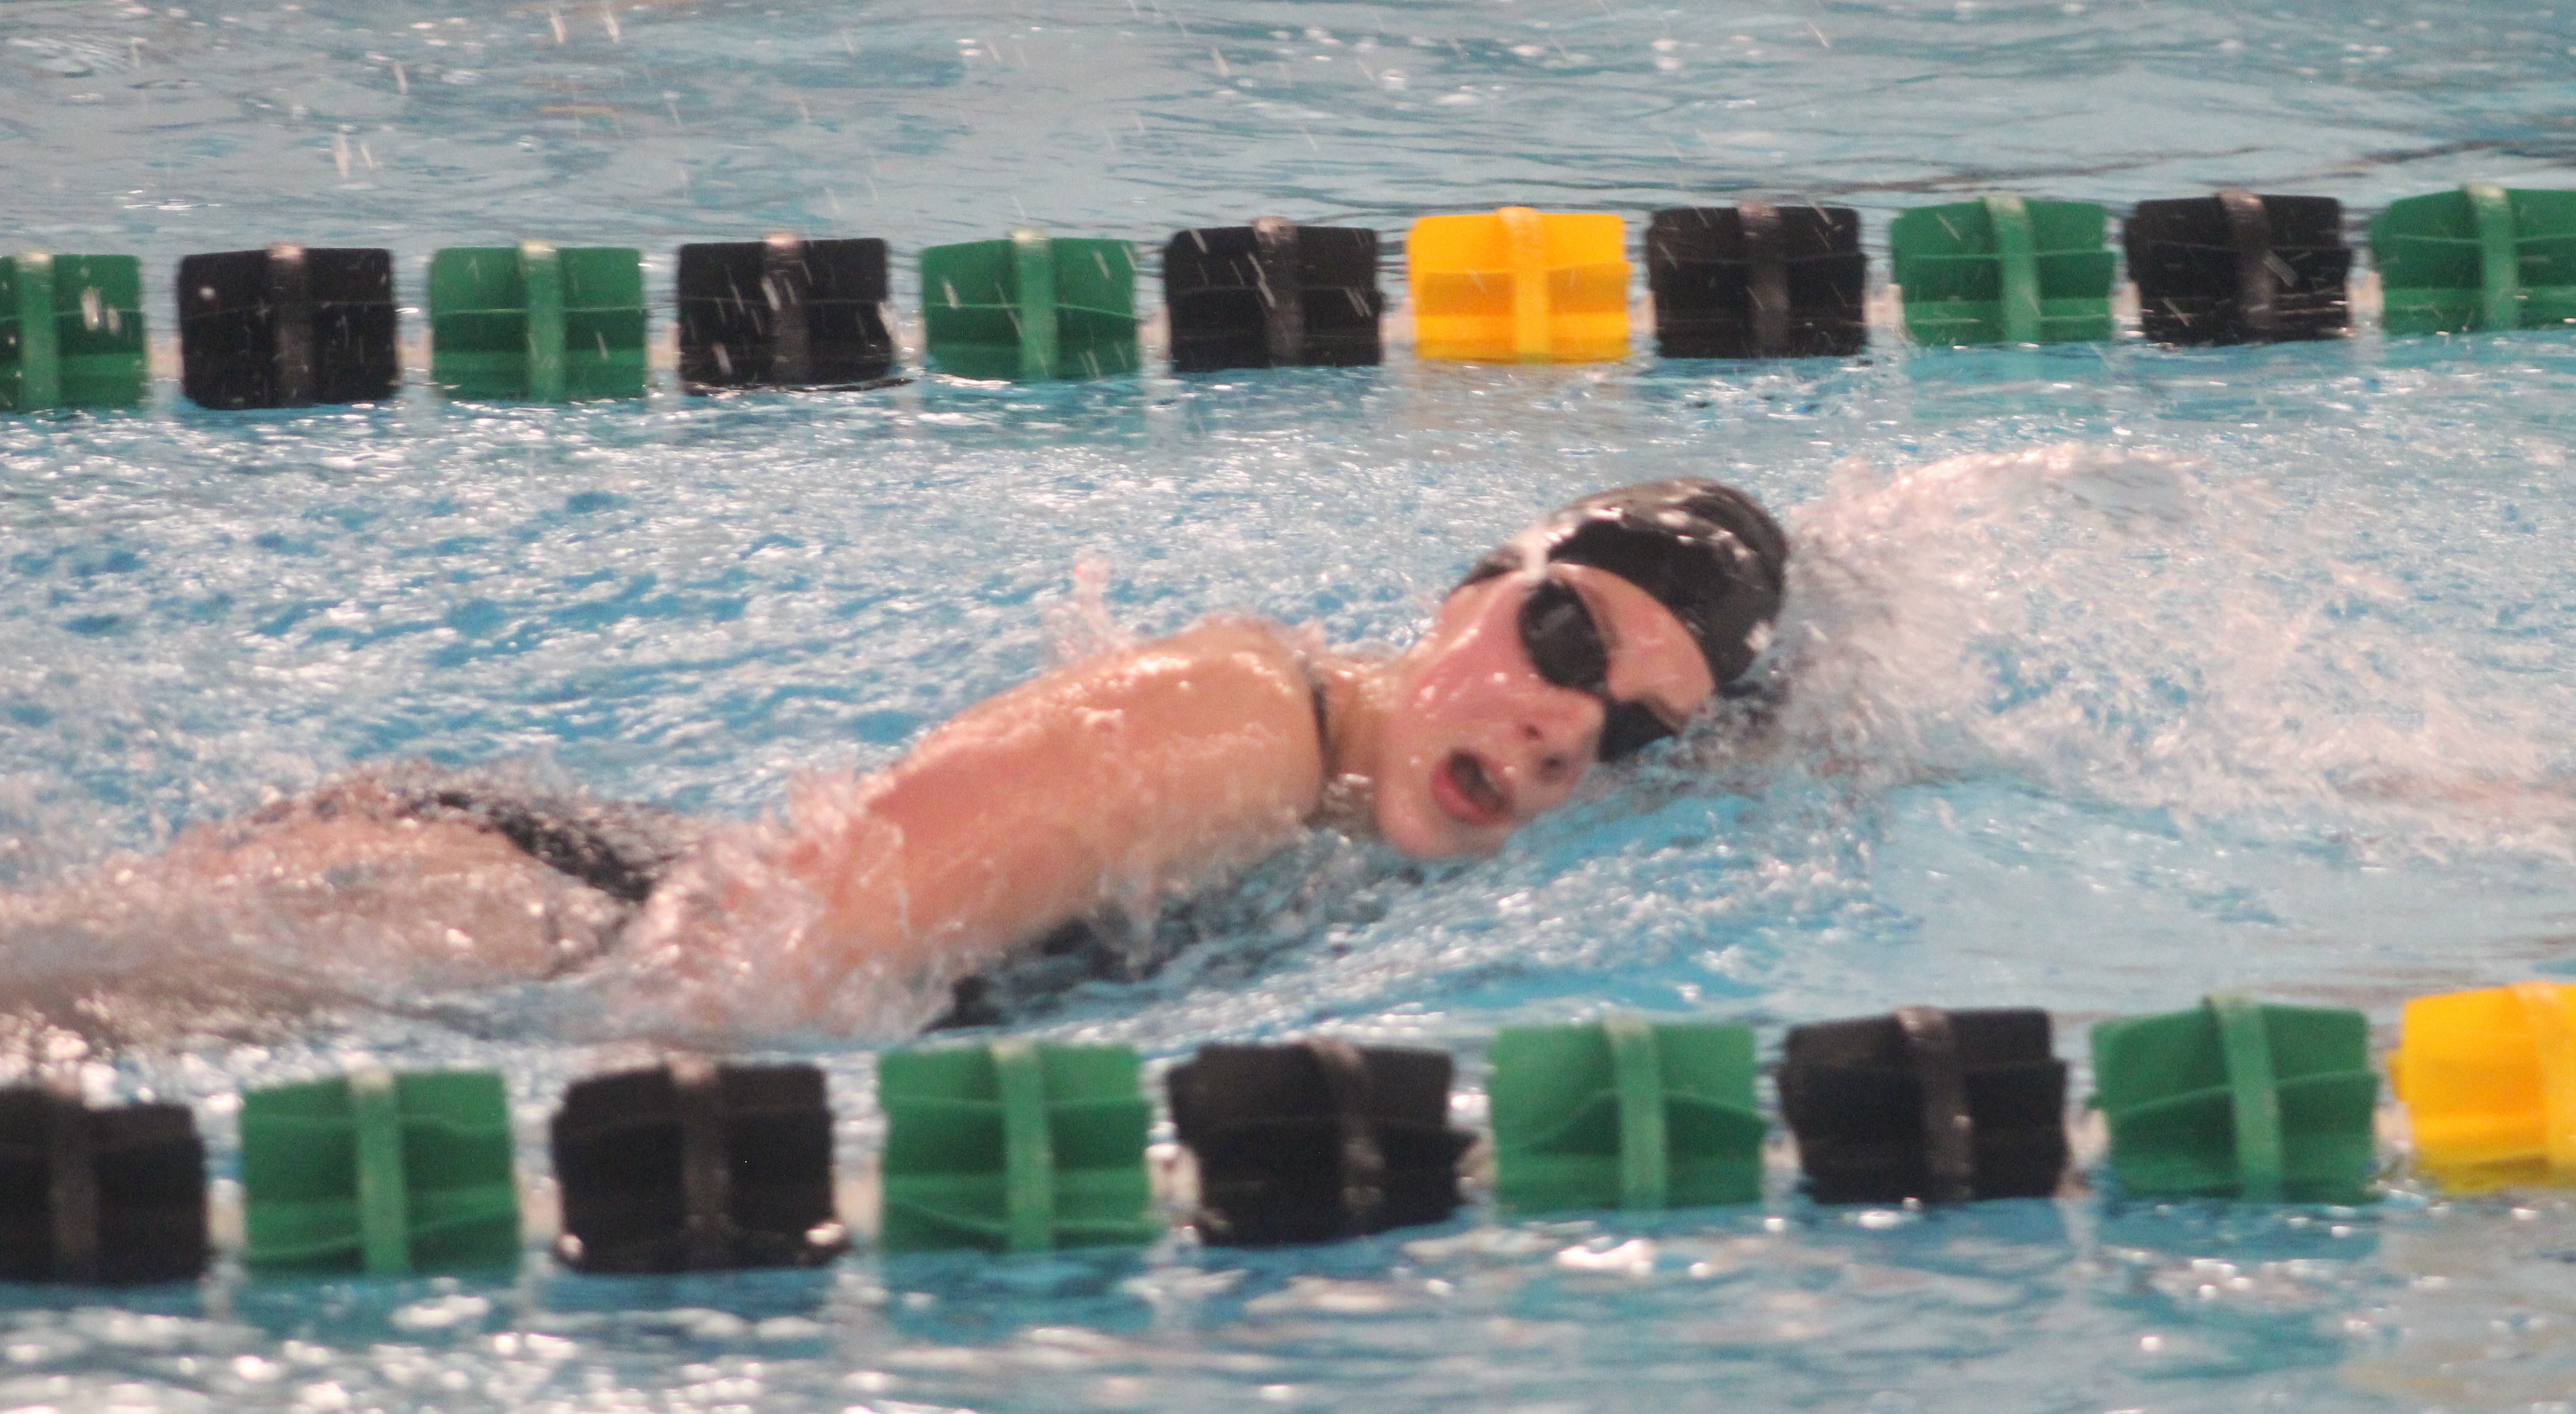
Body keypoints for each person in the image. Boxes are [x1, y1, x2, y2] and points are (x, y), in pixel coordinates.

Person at [6, 478, 1788, 1037]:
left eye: (1631, 729)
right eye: (1564, 639)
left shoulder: (1335, 796)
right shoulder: (1232, 727)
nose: (1571, 723)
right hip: (504, 915)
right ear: (1467, 593)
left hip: (558, 902)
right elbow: (771, 954)